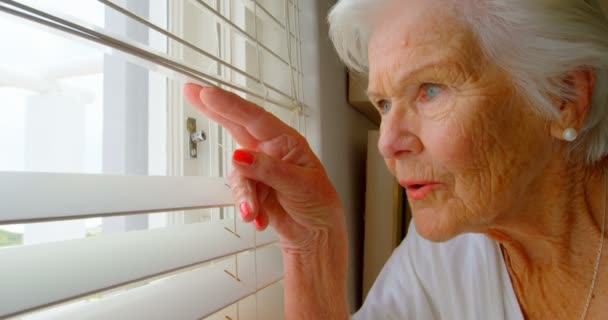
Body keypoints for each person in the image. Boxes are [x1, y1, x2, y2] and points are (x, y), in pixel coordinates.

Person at [184, 0, 608, 318]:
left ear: (563, 98)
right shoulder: (440, 253)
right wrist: (312, 246)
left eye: (430, 89)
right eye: (385, 103)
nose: (388, 142)